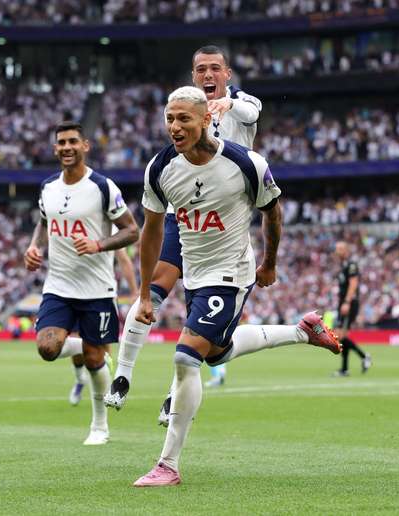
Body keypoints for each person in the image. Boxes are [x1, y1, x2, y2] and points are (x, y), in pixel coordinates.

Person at [132, 87, 340, 487]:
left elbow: (273, 214)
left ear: (206, 120)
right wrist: (144, 293)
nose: (175, 127)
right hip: (195, 274)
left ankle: (167, 466)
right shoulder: (160, 168)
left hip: (231, 273)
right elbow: (152, 231)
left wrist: (269, 263)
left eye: (184, 119)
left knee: (185, 357)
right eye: (170, 119)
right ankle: (302, 330)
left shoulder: (245, 163)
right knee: (217, 353)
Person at [106, 44, 263, 410]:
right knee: (154, 288)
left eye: (215, 68)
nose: (208, 75)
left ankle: (173, 394)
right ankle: (123, 375)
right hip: (185, 215)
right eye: (201, 69)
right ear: (193, 75)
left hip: (224, 223)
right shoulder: (187, 108)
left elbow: (253, 110)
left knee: (201, 327)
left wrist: (228, 105)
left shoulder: (242, 103)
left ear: (227, 73)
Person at [23, 122, 139, 443]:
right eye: (61, 142)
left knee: (92, 361)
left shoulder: (102, 187)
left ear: (85, 146)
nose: (66, 147)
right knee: (47, 348)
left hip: (97, 289)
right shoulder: (48, 187)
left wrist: (99, 244)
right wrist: (34, 248)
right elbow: (44, 223)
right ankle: (92, 347)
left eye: (73, 141)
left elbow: (132, 230)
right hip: (58, 286)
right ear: (55, 148)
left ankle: (100, 426)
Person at [67, 247, 137, 406]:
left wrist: (134, 291)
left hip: (103, 292)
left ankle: (106, 388)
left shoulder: (110, 226)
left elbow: (124, 258)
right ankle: (80, 381)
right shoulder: (76, 226)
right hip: (76, 292)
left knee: (103, 343)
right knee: (76, 338)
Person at [332, 241, 371, 377]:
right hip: (343, 303)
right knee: (340, 337)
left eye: (341, 249)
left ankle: (364, 356)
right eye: (337, 249)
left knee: (340, 336)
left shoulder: (351, 265)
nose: (338, 251)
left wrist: (347, 302)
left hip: (349, 303)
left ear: (346, 250)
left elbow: (354, 284)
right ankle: (345, 369)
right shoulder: (342, 266)